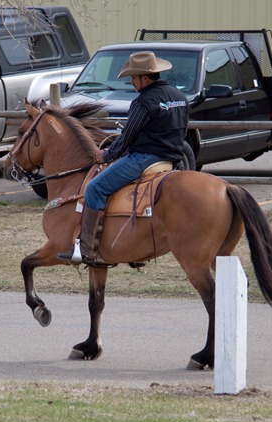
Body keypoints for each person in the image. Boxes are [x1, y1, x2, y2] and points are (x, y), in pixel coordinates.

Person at [58, 51, 189, 266]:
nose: (131, 82)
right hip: (174, 158)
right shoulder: (179, 97)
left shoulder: (143, 102)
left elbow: (127, 137)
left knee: (94, 188)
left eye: (133, 77)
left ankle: (88, 248)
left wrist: (107, 155)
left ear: (144, 78)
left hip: (144, 158)